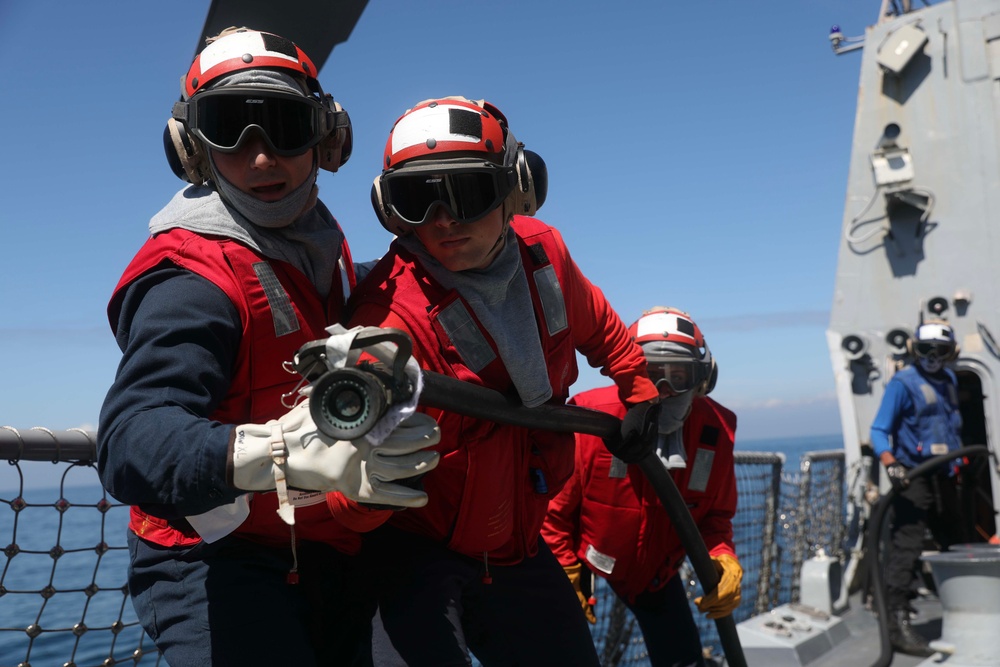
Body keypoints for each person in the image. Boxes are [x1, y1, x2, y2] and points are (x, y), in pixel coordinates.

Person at [96, 28, 441, 667]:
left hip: (323, 552)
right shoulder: (190, 278)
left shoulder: (320, 249)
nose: (261, 160)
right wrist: (279, 453)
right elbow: (130, 441)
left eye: (285, 126)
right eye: (229, 129)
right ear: (192, 150)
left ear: (326, 140)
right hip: (212, 563)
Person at [338, 96, 661, 667]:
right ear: (391, 210)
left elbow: (601, 326)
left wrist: (639, 392)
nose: (443, 219)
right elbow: (348, 480)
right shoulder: (385, 315)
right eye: (418, 199)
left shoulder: (547, 256)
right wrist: (359, 486)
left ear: (515, 188)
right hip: (416, 553)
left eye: (467, 192)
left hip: (516, 545)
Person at [541, 306, 741, 667]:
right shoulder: (591, 417)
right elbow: (554, 512)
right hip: (587, 559)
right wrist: (565, 569)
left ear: (701, 380)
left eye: (678, 376)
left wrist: (722, 556)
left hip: (655, 575)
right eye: (650, 375)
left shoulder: (717, 432)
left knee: (684, 659)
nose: (663, 392)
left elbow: (715, 517)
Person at [871, 319, 966, 657]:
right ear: (915, 350)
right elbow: (879, 430)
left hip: (945, 475)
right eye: (926, 349)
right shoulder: (903, 383)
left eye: (939, 350)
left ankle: (968, 608)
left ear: (950, 352)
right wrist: (891, 463)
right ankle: (898, 623)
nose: (932, 356)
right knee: (906, 547)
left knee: (956, 542)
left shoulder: (950, 380)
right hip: (913, 476)